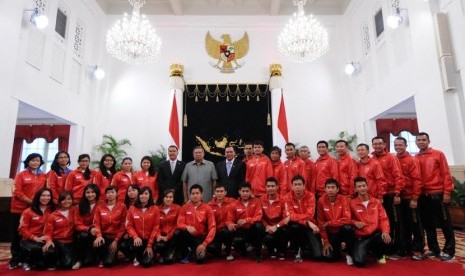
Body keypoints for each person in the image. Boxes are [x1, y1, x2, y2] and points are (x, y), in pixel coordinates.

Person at [415, 132, 455, 262]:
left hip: (437, 193)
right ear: (416, 143)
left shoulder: (438, 154)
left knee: (445, 223)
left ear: (428, 141)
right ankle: (433, 249)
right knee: (428, 224)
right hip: (422, 195)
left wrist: (447, 192)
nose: (421, 142)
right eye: (419, 140)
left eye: (423, 140)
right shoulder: (416, 157)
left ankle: (449, 250)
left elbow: (445, 173)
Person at [10, 153, 47, 270]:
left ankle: (26, 259)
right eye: (33, 160)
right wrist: (32, 202)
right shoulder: (21, 175)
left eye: (38, 160)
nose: (35, 162)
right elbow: (17, 192)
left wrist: (37, 204)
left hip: (35, 210)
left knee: (30, 235)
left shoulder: (43, 176)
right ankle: (15, 260)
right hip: (19, 208)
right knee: (18, 235)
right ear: (28, 162)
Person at [372, 136, 406, 260]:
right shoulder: (372, 158)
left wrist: (397, 193)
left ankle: (400, 249)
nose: (377, 146)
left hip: (391, 194)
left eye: (379, 143)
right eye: (375, 144)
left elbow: (398, 176)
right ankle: (388, 248)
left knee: (396, 222)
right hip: (378, 196)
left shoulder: (391, 157)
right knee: (384, 223)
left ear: (384, 144)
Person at [394, 136, 425, 260]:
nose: (398, 147)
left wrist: (415, 198)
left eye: (400, 145)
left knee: (415, 224)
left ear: (406, 146)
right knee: (403, 224)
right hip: (400, 197)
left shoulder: (411, 160)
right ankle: (406, 248)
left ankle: (419, 249)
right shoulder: (394, 159)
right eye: (396, 145)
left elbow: (417, 180)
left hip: (410, 196)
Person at [349, 177, 391, 267]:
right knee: (359, 262)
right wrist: (354, 222)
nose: (362, 188)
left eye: (364, 186)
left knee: (385, 238)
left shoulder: (376, 202)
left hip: (375, 234)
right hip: (361, 237)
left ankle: (379, 254)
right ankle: (365, 251)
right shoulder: (351, 203)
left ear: (367, 187)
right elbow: (346, 219)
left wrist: (385, 232)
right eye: (359, 186)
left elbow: (383, 218)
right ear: (355, 189)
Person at [317, 178, 354, 264]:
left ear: (337, 189)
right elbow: (321, 222)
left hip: (341, 231)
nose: (330, 190)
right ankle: (338, 250)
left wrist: (330, 223)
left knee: (348, 228)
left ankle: (349, 253)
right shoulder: (321, 201)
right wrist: (325, 242)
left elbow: (347, 219)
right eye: (328, 187)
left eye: (333, 187)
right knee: (329, 258)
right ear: (325, 189)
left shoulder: (344, 199)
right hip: (331, 234)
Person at [285, 175, 322, 262]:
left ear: (304, 186)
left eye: (299, 184)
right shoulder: (287, 197)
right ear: (292, 186)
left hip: (310, 226)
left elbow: (310, 215)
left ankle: (307, 246)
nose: (297, 187)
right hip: (298, 225)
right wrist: (307, 222)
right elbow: (289, 215)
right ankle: (297, 250)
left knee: (318, 256)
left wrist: (307, 222)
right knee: (294, 227)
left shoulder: (311, 196)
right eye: (295, 184)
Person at [177, 184, 216, 264]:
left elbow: (212, 227)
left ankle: (199, 251)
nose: (195, 196)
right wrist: (187, 227)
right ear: (190, 195)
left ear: (201, 194)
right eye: (193, 193)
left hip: (202, 239)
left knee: (200, 260)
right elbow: (179, 223)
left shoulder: (207, 208)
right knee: (178, 232)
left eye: (197, 193)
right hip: (189, 237)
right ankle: (186, 253)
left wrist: (204, 244)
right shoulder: (184, 207)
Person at [226, 182, 264, 262]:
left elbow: (259, 216)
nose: (245, 193)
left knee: (259, 226)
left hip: (252, 230)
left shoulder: (257, 201)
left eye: (247, 191)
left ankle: (258, 254)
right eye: (243, 191)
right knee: (232, 235)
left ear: (251, 192)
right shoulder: (234, 204)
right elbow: (229, 219)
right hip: (240, 231)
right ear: (239, 192)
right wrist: (229, 224)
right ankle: (240, 250)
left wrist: (246, 220)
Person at [19, 188, 55, 271]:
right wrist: (35, 238)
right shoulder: (28, 211)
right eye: (43, 195)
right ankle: (26, 261)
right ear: (38, 197)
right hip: (29, 240)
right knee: (38, 250)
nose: (46, 198)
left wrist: (49, 239)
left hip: (45, 239)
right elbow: (22, 229)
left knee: (49, 254)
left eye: (48, 196)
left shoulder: (52, 210)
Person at [93, 186, 128, 267]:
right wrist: (98, 236)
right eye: (108, 193)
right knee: (97, 243)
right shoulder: (100, 207)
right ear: (105, 195)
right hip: (104, 236)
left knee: (108, 263)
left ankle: (111, 256)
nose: (110, 194)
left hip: (117, 237)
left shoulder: (122, 206)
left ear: (116, 194)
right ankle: (103, 258)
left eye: (112, 192)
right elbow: (96, 223)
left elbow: (123, 225)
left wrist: (116, 241)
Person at [43, 191, 78, 270]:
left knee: (66, 265)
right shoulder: (52, 215)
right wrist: (48, 240)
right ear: (60, 201)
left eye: (69, 199)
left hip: (70, 242)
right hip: (57, 242)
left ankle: (76, 260)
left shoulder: (75, 210)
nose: (67, 201)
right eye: (64, 200)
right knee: (49, 250)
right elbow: (48, 232)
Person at [126, 186, 160, 267]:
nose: (143, 196)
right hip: (138, 239)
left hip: (150, 239)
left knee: (146, 264)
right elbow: (129, 226)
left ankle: (150, 255)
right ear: (138, 195)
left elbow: (156, 227)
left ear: (150, 196)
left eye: (146, 194)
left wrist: (149, 245)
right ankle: (136, 256)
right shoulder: (132, 208)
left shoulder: (155, 208)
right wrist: (135, 237)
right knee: (127, 245)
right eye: (141, 194)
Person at [260, 177, 289, 260]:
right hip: (267, 227)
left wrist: (277, 226)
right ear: (265, 187)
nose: (270, 188)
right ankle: (271, 250)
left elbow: (286, 218)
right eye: (268, 186)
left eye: (272, 186)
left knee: (285, 229)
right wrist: (266, 226)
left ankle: (281, 251)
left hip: (279, 227)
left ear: (277, 187)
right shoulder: (261, 199)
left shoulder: (283, 200)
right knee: (258, 227)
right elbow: (260, 216)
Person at [74, 184, 100, 268]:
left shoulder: (101, 204)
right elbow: (77, 224)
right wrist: (89, 229)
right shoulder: (79, 206)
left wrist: (95, 228)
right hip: (84, 233)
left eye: (93, 192)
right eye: (87, 192)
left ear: (97, 193)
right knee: (83, 235)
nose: (90, 194)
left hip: (98, 231)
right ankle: (79, 260)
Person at [207, 184, 235, 260]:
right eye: (217, 191)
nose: (219, 193)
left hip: (228, 230)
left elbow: (243, 200)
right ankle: (219, 248)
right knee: (212, 249)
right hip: (215, 232)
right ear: (214, 193)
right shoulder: (209, 205)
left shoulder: (232, 201)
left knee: (226, 231)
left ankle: (228, 253)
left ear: (225, 192)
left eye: (221, 191)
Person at [156, 189, 181, 264]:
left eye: (170, 197)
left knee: (168, 261)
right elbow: (156, 225)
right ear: (163, 198)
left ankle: (175, 252)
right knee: (159, 245)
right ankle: (162, 254)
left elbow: (176, 225)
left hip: (172, 236)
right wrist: (158, 235)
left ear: (173, 198)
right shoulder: (157, 209)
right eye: (166, 197)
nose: (168, 199)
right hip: (161, 237)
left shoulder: (178, 208)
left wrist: (168, 237)